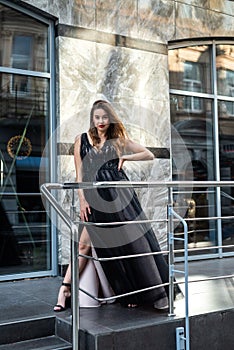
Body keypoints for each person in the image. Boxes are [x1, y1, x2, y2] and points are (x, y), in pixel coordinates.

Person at [54, 100, 174, 312]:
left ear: (110, 119)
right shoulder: (80, 140)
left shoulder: (117, 140)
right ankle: (65, 289)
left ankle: (142, 293)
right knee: (83, 245)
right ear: (92, 118)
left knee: (131, 244)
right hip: (94, 198)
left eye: (105, 117)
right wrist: (82, 200)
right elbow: (80, 174)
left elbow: (149, 154)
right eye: (97, 117)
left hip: (120, 196)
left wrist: (126, 157)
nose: (101, 121)